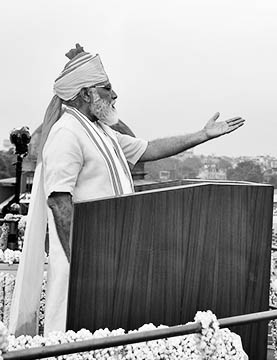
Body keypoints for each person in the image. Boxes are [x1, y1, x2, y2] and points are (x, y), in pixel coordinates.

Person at [10, 44, 245, 335]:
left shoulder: (102, 132)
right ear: (87, 93)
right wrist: (82, 262)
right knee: (77, 338)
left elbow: (149, 148)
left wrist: (202, 135)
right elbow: (59, 203)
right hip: (87, 267)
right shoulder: (66, 133)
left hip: (113, 256)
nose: (115, 94)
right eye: (107, 88)